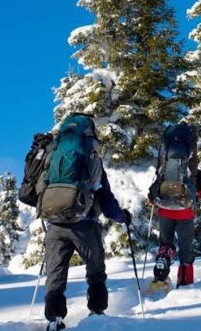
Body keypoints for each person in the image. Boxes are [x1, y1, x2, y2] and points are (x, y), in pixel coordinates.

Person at [40, 113, 132, 331]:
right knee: (96, 272)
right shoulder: (92, 159)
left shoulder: (53, 156)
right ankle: (96, 313)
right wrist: (123, 217)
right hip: (84, 224)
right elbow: (106, 201)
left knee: (55, 275)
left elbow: (39, 188)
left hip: (55, 224)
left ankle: (54, 319)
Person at [148, 124, 201, 288]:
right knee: (186, 250)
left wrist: (154, 200)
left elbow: (153, 192)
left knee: (166, 243)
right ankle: (185, 283)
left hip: (165, 210)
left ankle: (162, 264)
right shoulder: (192, 170)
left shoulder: (164, 169)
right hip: (185, 212)